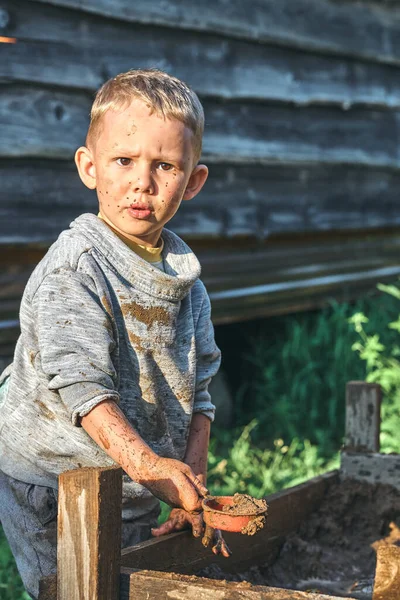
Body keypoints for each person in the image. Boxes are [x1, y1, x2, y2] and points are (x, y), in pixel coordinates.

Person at [0, 68, 230, 599]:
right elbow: (82, 386)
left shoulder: (185, 281)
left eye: (165, 165)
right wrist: (154, 468)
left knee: (126, 585)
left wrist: (186, 484)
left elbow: (200, 394)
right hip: (51, 477)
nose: (141, 183)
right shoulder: (77, 266)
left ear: (193, 181)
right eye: (123, 161)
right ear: (89, 166)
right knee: (75, 588)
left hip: (132, 477)